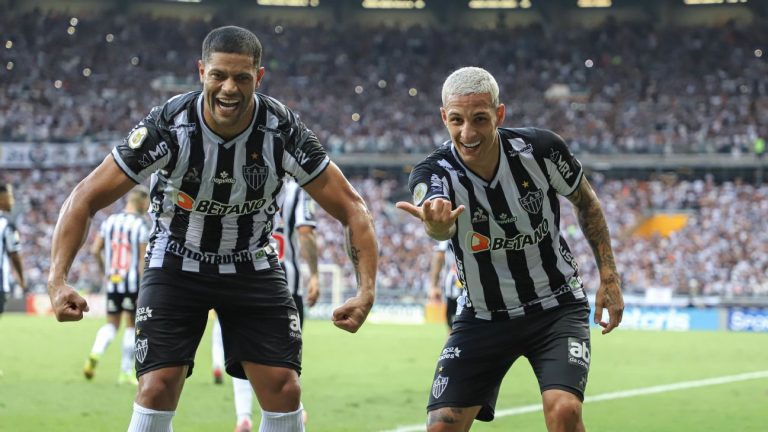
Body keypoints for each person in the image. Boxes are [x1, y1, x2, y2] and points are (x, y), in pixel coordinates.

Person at [47, 25, 378, 432]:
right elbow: (85, 196)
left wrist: (366, 291)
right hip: (174, 260)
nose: (229, 88)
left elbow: (352, 207)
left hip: (251, 262)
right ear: (201, 71)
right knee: (156, 386)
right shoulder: (168, 127)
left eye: (241, 77)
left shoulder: (282, 130)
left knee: (284, 387)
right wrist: (57, 279)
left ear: (259, 77)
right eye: (218, 75)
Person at [396, 67, 624, 432]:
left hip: (555, 306)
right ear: (444, 117)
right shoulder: (433, 171)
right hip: (483, 315)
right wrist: (436, 225)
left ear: (499, 115)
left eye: (479, 119)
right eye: (456, 120)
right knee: (441, 426)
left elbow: (587, 203)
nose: (467, 133)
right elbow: (435, 211)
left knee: (564, 411)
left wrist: (609, 275)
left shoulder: (542, 150)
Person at [214, 177, 320, 432]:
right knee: (285, 361)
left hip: (240, 278)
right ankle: (288, 412)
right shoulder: (297, 192)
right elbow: (305, 233)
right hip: (284, 284)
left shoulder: (245, 181)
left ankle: (243, 416)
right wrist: (314, 274)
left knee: (240, 352)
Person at [83, 186, 150, 385]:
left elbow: (95, 250)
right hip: (131, 283)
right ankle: (125, 372)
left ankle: (95, 353)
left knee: (111, 324)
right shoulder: (140, 225)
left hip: (113, 282)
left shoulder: (109, 221)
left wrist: (106, 271)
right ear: (141, 201)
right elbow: (141, 260)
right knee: (131, 326)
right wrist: (142, 286)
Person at [0, 182, 26, 315]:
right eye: (10, 196)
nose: (12, 201)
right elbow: (14, 255)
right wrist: (22, 280)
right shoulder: (7, 224)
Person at [428, 240, 463, 330]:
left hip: (456, 285)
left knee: (454, 321)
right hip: (461, 285)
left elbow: (439, 256)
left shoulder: (448, 235)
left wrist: (434, 285)